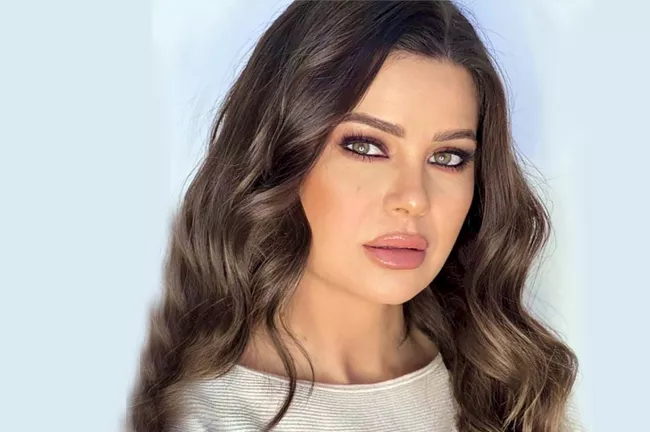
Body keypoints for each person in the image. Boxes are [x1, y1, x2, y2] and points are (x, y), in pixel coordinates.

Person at [128, 1, 579, 431]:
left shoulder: (507, 381)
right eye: (365, 147)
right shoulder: (201, 418)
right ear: (280, 156)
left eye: (448, 157)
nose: (413, 199)